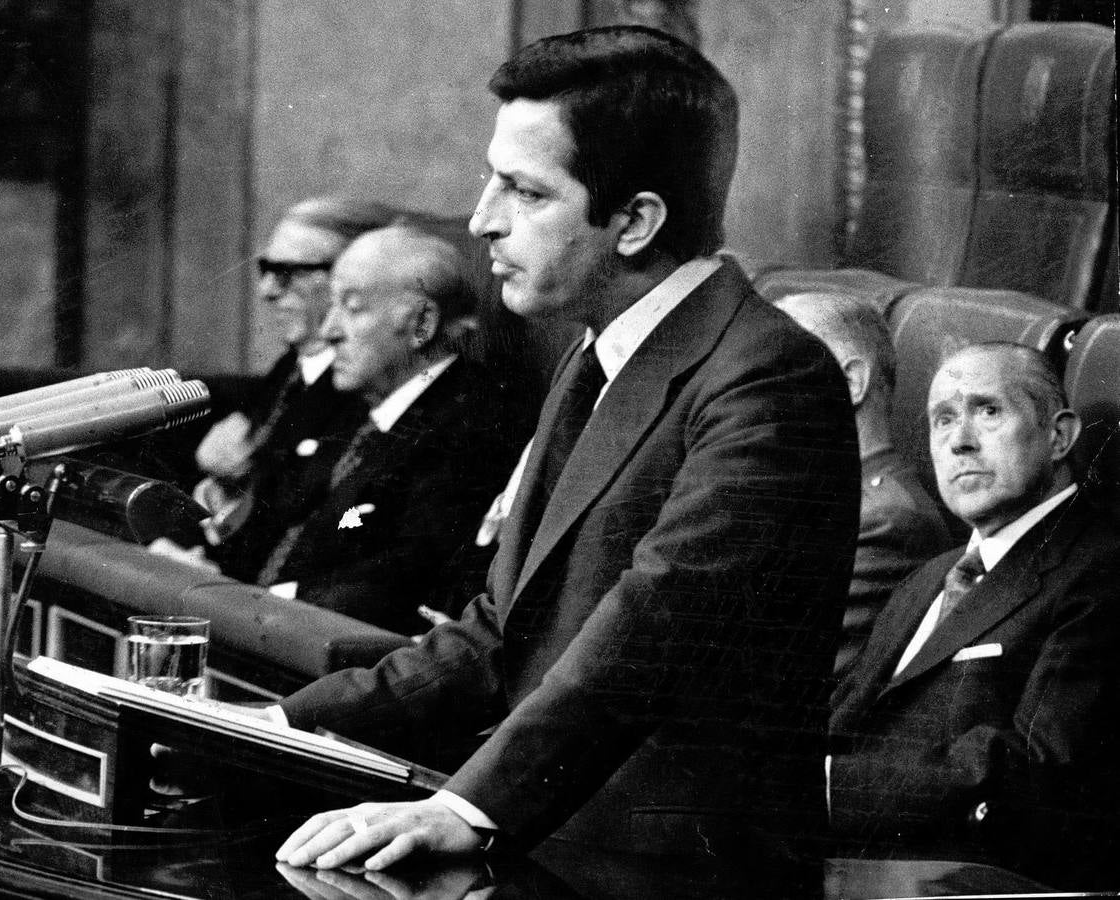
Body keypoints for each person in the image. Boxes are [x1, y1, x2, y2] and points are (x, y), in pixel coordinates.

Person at [273, 26, 860, 892]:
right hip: (557, 849)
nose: (483, 220)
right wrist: (279, 723)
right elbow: (499, 633)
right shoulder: (594, 357)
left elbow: (649, 636)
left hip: (674, 877)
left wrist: (462, 811)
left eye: (523, 192)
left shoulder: (769, 378)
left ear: (634, 222)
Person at [828, 342, 1120, 889]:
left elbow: (1032, 772)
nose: (960, 441)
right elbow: (847, 718)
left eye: (988, 411)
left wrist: (824, 787)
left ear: (1059, 436)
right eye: (943, 419)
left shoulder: (1100, 570)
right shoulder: (929, 577)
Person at [252, 224, 523, 634]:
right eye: (331, 308)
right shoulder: (359, 403)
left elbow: (411, 572)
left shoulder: (474, 425)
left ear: (421, 324)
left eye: (353, 308)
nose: (329, 332)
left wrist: (264, 603)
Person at [192, 197, 397, 575]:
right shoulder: (294, 365)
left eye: (288, 273)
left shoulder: (367, 389)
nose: (267, 291)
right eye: (266, 269)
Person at [776, 292, 951, 678]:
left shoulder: (887, 521)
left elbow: (787, 677)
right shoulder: (818, 495)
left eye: (774, 371)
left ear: (851, 382)